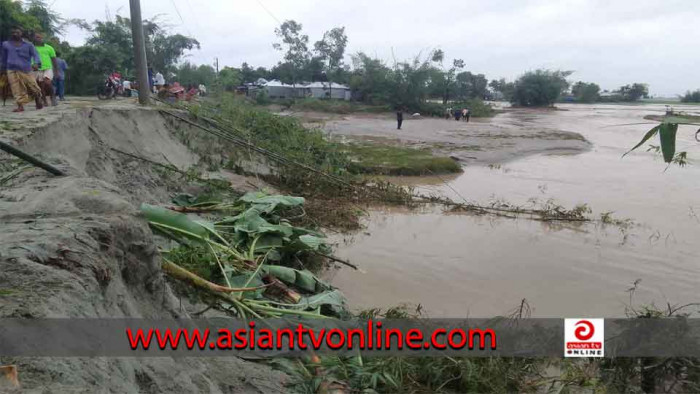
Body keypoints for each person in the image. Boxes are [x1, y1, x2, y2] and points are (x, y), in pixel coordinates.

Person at [0, 26, 43, 112]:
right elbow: (3, 57)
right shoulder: (5, 44)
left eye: (17, 32)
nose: (15, 34)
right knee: (16, 88)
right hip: (11, 69)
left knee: (33, 87)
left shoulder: (29, 45)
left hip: (26, 69)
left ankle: (38, 98)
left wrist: (36, 63)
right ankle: (20, 106)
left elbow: (36, 55)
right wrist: (2, 69)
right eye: (13, 32)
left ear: (21, 34)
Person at [33, 33, 58, 106]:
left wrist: (56, 71)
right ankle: (44, 101)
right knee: (40, 86)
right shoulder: (32, 48)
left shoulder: (49, 48)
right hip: (36, 69)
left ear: (42, 38)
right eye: (36, 37)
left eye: (39, 37)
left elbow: (54, 59)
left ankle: (53, 97)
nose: (38, 39)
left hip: (48, 68)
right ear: (34, 39)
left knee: (47, 82)